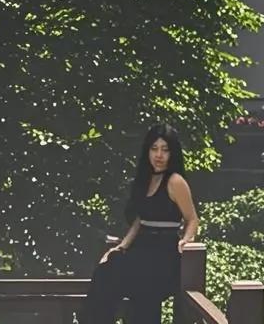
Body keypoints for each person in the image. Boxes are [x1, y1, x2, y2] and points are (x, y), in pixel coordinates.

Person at [85, 123, 199, 324]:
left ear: (172, 153)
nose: (159, 155)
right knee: (104, 274)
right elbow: (140, 220)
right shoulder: (145, 180)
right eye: (154, 149)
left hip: (163, 254)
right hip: (141, 249)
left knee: (142, 293)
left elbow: (192, 219)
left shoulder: (175, 181)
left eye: (165, 150)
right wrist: (120, 247)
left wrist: (186, 241)